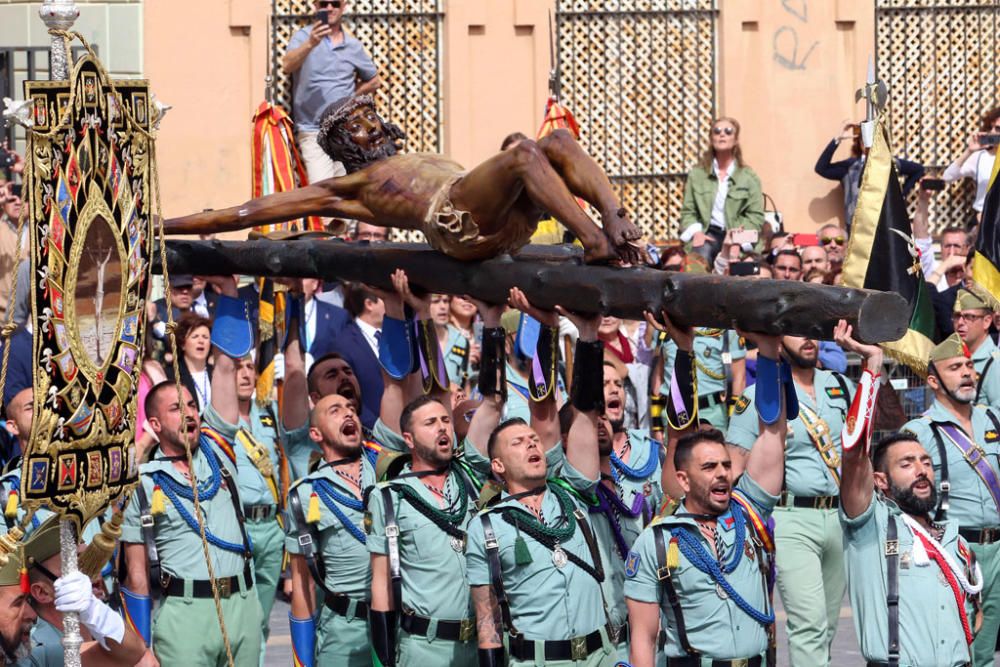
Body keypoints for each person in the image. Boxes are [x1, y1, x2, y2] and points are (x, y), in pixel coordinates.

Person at [164, 95, 645, 265]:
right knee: (522, 153)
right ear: (342, 146)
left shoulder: (415, 154)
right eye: (356, 126)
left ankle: (613, 219)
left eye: (371, 117)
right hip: (457, 226)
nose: (371, 127)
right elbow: (248, 211)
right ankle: (593, 240)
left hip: (495, 214)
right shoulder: (347, 189)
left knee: (551, 140)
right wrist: (165, 226)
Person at [625, 327, 790, 666]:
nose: (722, 473)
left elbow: (773, 435)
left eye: (726, 465)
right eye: (709, 466)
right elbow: (643, 636)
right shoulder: (658, 540)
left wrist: (770, 352)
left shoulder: (748, 514)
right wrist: (684, 350)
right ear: (682, 479)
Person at [466, 305, 618, 666]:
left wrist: (587, 336)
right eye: (518, 443)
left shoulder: (572, 493)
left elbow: (581, 414)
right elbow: (487, 618)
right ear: (497, 465)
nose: (533, 444)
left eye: (534, 440)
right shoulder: (487, 525)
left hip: (600, 657)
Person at [726, 331, 858, 667]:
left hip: (839, 516)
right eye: (795, 331)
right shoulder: (759, 395)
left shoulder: (842, 387)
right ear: (778, 339)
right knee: (809, 625)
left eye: (812, 330)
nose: (808, 339)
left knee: (827, 626)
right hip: (789, 516)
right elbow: (733, 465)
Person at [198, 276, 309, 660]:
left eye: (251, 367)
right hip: (236, 526)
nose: (245, 373)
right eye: (240, 367)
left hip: (271, 528)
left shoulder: (269, 415)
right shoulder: (216, 420)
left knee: (262, 619)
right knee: (234, 622)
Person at [121, 380, 262, 664]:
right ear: (155, 424)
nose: (188, 413)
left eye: (192, 405)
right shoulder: (142, 482)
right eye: (176, 408)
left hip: (243, 607)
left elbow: (225, 369)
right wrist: (140, 649)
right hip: (185, 617)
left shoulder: (221, 455)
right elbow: (136, 576)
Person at [899, 333, 1000, 666]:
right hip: (955, 549)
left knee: (986, 649)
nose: (967, 372)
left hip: (997, 547)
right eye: (955, 367)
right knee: (957, 646)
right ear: (933, 380)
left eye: (969, 365)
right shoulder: (921, 430)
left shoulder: (993, 420)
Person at [284, 390, 376, 667]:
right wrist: (302, 661)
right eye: (334, 411)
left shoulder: (386, 470)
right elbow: (303, 585)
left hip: (399, 626)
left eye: (351, 408)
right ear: (315, 434)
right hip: (344, 631)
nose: (348, 413)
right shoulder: (305, 494)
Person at [0, 518, 145, 666]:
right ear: (42, 592)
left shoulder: (38, 658)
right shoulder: (36, 647)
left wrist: (94, 610)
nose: (92, 574)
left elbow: (132, 653)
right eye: (76, 567)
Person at [282, 0, 381, 182]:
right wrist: (311, 43)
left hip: (345, 131)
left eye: (335, 3)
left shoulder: (353, 46)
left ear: (344, 7)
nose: (329, 8)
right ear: (315, 6)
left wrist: (350, 97)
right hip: (313, 131)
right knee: (321, 189)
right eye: (323, 3)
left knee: (345, 192)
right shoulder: (303, 37)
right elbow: (287, 65)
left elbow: (374, 80)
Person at [679, 117, 765, 263]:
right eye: (717, 131)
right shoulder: (697, 175)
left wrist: (739, 239)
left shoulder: (749, 177)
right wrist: (696, 232)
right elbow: (688, 212)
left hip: (738, 234)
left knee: (738, 264)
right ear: (711, 138)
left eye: (728, 131)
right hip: (708, 233)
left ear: (736, 139)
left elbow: (756, 217)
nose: (722, 134)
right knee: (698, 260)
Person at [815, 121, 924, 226]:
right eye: (864, 140)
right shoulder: (851, 166)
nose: (869, 145)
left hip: (884, 226)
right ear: (860, 143)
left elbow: (918, 170)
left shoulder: (890, 163)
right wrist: (838, 139)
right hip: (856, 229)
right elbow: (822, 168)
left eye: (874, 140)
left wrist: (900, 195)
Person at [943, 107, 1000, 219]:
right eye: (991, 128)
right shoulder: (981, 157)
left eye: (998, 128)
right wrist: (969, 151)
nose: (992, 132)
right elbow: (947, 177)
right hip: (985, 217)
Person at [950, 288, 1000, 409]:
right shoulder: (951, 359)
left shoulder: (995, 363)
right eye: (957, 316)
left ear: (987, 321)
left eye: (968, 316)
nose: (960, 322)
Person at [163, 312, 213, 413]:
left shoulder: (217, 373)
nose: (201, 341)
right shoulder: (170, 375)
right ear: (182, 344)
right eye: (195, 337)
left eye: (205, 337)